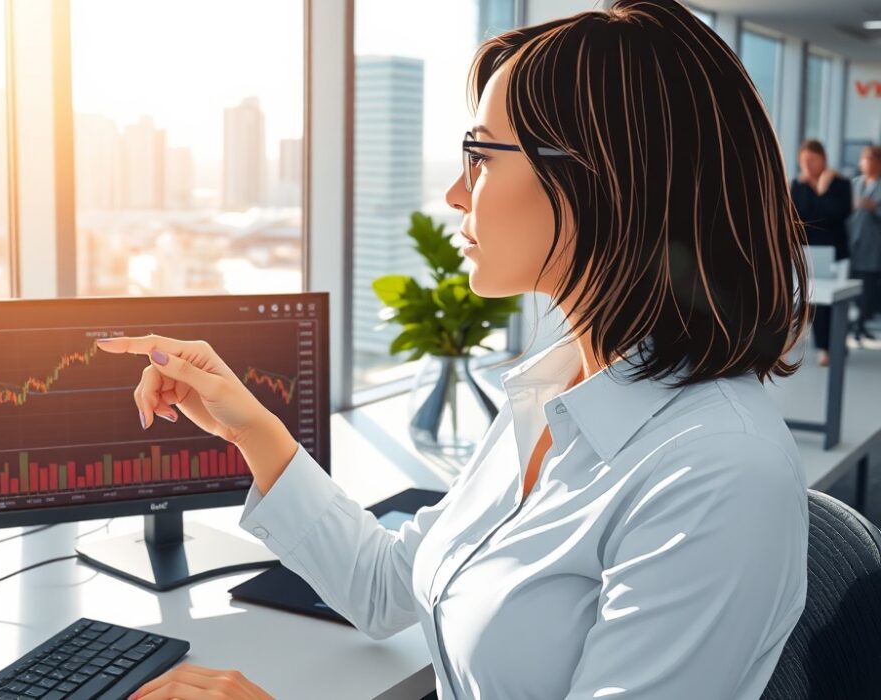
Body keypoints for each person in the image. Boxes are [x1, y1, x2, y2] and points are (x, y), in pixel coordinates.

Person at [101, 1, 811, 698]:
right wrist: (248, 426)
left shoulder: (717, 475)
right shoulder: (558, 392)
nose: (452, 192)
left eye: (479, 156)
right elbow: (389, 586)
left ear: (602, 182)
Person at [791, 139, 852, 366]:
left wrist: (820, 190)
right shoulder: (798, 185)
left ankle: (836, 342)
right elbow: (799, 215)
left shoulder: (840, 183)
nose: (807, 165)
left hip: (836, 252)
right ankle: (824, 347)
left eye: (811, 160)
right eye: (803, 161)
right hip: (811, 252)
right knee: (816, 301)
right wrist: (816, 193)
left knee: (837, 301)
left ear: (822, 159)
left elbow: (838, 213)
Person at [848, 145, 881, 341]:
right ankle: (854, 323)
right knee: (849, 286)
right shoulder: (854, 183)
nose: (866, 163)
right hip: (852, 243)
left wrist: (874, 208)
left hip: (872, 247)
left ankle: (860, 323)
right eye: (864, 159)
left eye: (870, 159)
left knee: (867, 288)